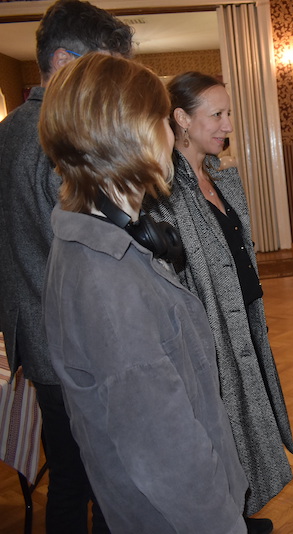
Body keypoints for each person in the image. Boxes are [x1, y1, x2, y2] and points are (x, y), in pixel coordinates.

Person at [39, 53, 253, 534]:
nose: (171, 135)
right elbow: (165, 452)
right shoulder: (107, 281)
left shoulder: (99, 242)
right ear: (131, 134)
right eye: (162, 120)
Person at [0, 2, 133, 531]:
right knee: (105, 481)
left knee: (69, 480)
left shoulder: (8, 130)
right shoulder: (57, 136)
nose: (109, 87)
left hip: (34, 334)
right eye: (104, 70)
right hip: (76, 338)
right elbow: (87, 250)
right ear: (63, 62)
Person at [146, 71, 293, 518]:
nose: (228, 125)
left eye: (228, 113)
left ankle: (243, 511)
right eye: (217, 115)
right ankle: (228, 516)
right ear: (181, 119)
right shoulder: (164, 193)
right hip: (209, 332)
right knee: (222, 426)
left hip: (244, 318)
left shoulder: (222, 179)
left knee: (247, 420)